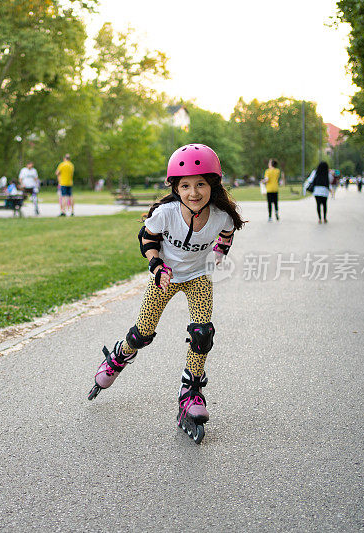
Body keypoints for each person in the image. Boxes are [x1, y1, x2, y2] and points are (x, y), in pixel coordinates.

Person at [87, 143, 245, 444]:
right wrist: (157, 264)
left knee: (203, 333)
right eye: (185, 185)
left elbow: (227, 233)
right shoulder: (166, 214)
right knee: (142, 334)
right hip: (165, 279)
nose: (194, 192)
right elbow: (146, 238)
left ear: (213, 185)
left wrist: (221, 250)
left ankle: (191, 391)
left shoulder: (221, 216)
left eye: (201, 184)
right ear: (175, 187)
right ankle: (120, 355)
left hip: (198, 278)